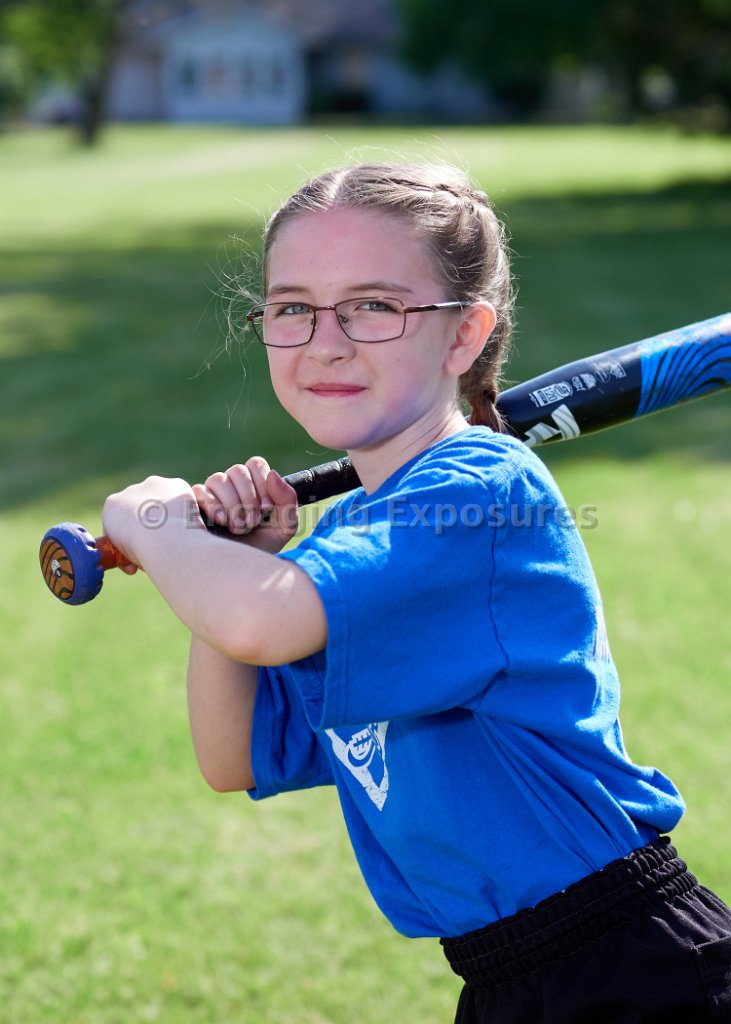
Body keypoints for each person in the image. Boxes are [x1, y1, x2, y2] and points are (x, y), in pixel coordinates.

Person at [102, 162, 731, 1023]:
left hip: (628, 964)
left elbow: (259, 619)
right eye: (292, 307)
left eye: (373, 305)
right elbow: (232, 756)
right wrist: (229, 554)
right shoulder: (359, 533)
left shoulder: (477, 491)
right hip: (507, 975)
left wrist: (156, 527)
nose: (325, 342)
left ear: (463, 336)